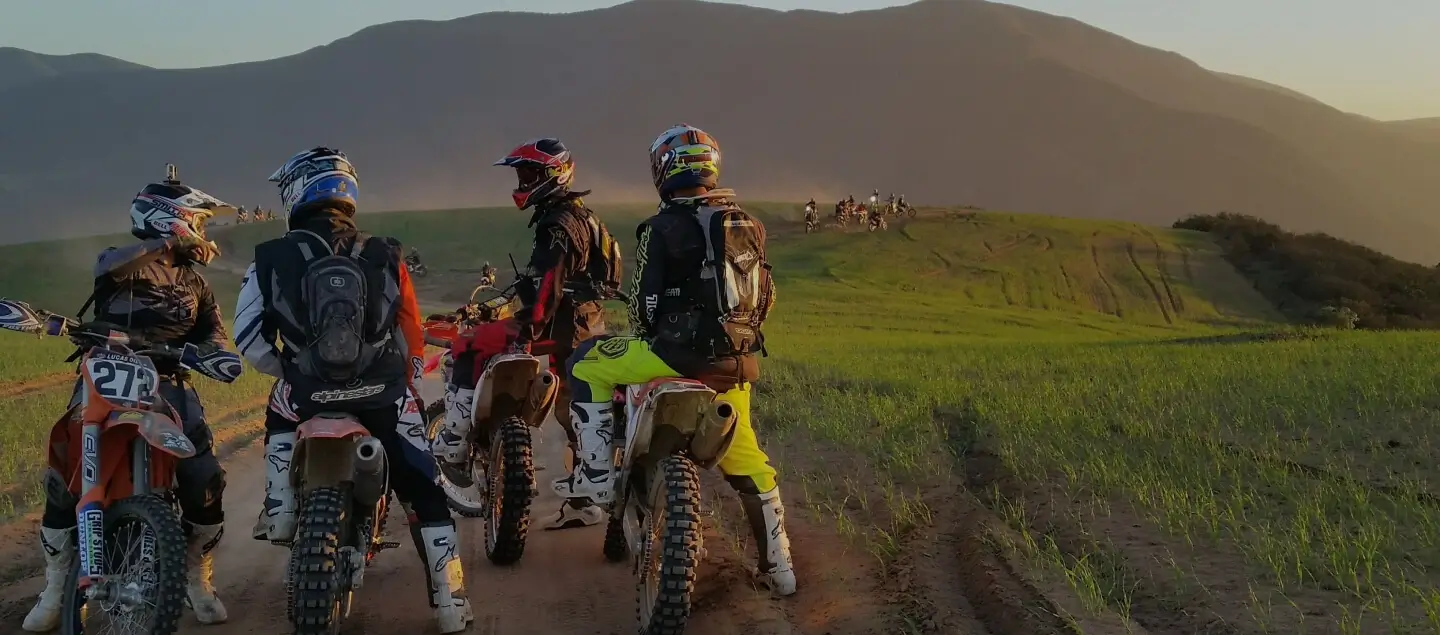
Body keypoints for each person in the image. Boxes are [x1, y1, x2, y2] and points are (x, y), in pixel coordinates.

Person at [234, 147, 472, 633]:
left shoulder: (268, 256)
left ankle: (280, 508)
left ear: (297, 192)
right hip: (382, 394)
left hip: (306, 394)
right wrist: (403, 381)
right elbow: (410, 333)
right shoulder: (385, 252)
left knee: (279, 411)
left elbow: (248, 338)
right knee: (423, 491)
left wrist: (290, 371)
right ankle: (451, 603)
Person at [562, 124, 796, 596]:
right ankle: (781, 570)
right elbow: (766, 297)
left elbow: (643, 305)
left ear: (663, 171)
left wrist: (650, 333)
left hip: (671, 357)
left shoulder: (660, 228)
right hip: (733, 366)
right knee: (750, 464)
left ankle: (597, 478)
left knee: (585, 361)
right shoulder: (748, 224)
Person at [23, 170, 238, 632]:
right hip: (107, 369)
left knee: (204, 476)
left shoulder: (197, 285)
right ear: (174, 219)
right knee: (63, 473)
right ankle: (57, 584)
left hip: (169, 378)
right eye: (199, 221)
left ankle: (195, 575)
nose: (204, 232)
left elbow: (216, 337)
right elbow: (110, 268)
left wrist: (215, 356)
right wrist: (165, 243)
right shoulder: (120, 264)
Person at [431, 137, 623, 531]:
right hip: (586, 322)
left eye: (530, 174)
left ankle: (453, 443)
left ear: (554, 174)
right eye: (522, 175)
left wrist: (525, 327)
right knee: (573, 411)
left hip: (559, 325)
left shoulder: (558, 224)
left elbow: (550, 285)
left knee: (469, 344)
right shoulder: (581, 215)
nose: (523, 182)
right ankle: (583, 504)